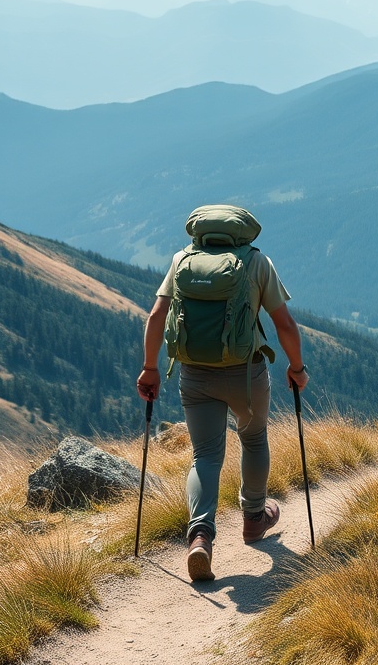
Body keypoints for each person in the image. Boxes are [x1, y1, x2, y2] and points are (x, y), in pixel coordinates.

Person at [136, 205, 309, 582]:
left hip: (195, 376)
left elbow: (155, 317)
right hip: (246, 375)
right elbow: (285, 324)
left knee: (205, 455)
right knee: (253, 438)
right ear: (243, 233)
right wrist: (296, 369)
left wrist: (150, 369)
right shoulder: (256, 262)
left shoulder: (182, 259)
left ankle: (200, 536)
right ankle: (253, 519)